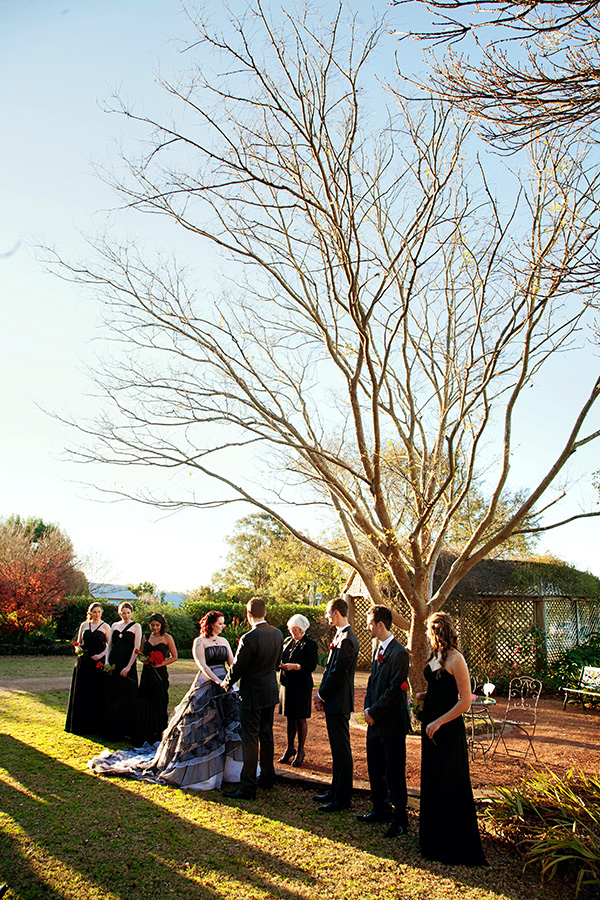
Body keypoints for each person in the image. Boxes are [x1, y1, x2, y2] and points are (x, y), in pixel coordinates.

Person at [89, 610, 243, 790]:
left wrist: (231, 681)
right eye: (220, 623)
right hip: (207, 683)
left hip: (225, 685)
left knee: (227, 724)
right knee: (201, 723)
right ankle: (203, 769)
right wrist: (216, 680)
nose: (222, 626)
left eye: (223, 623)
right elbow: (202, 665)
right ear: (210, 624)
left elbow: (232, 662)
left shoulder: (224, 642)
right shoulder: (199, 642)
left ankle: (227, 769)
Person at [418, 612, 487, 866]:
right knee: (433, 781)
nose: (425, 634)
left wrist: (438, 721)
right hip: (431, 727)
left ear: (436, 632)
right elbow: (439, 688)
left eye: (428, 630)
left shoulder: (457, 659)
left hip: (446, 730)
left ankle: (451, 844)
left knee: (449, 782)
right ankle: (432, 840)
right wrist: (423, 696)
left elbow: (465, 702)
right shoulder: (436, 656)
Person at [221, 596, 284, 800]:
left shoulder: (249, 637)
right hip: (270, 690)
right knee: (266, 735)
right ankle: (267, 777)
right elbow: (277, 663)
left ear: (249, 614)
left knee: (250, 739)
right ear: (265, 612)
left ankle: (248, 786)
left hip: (251, 693)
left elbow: (238, 667)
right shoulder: (277, 634)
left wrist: (227, 682)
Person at [357, 605, 411, 838]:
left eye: (370, 622)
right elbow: (372, 683)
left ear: (381, 624)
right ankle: (380, 809)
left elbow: (394, 689)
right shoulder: (377, 649)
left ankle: (400, 819)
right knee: (375, 768)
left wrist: (375, 712)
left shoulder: (400, 653)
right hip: (375, 722)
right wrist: (367, 708)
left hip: (392, 723)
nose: (367, 626)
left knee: (394, 771)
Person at [312, 596, 359, 812]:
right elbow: (330, 670)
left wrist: (322, 695)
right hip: (334, 701)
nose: (326, 617)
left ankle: (342, 798)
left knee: (342, 751)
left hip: (339, 702)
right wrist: (322, 693)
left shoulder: (348, 638)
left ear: (336, 613)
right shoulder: (340, 635)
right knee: (336, 750)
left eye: (328, 613)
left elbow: (339, 674)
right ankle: (334, 790)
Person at [278, 613, 318, 768]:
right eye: (290, 629)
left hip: (301, 685)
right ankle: (290, 748)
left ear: (302, 629)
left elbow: (311, 666)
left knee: (300, 718)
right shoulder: (288, 641)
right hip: (287, 684)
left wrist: (296, 666)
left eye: (295, 629)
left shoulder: (310, 644)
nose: (292, 632)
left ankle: (301, 750)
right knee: (289, 718)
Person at [132, 613, 178, 746]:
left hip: (160, 673)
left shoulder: (167, 638)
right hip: (147, 672)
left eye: (157, 625)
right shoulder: (146, 636)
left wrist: (161, 663)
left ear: (162, 625)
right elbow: (140, 653)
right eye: (152, 625)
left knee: (159, 699)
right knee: (145, 700)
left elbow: (174, 656)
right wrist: (144, 660)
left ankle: (158, 732)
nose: (155, 628)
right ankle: (143, 732)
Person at [65, 602, 110, 735]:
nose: (96, 614)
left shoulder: (106, 627)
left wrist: (100, 656)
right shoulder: (84, 625)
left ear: (101, 613)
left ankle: (94, 726)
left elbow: (109, 645)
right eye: (94, 612)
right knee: (81, 691)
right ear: (89, 613)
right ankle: (79, 725)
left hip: (97, 663)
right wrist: (77, 649)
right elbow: (78, 642)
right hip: (83, 662)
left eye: (99, 612)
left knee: (95, 692)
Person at [102, 601, 142, 741]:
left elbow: (136, 648)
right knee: (113, 695)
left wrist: (129, 666)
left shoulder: (136, 626)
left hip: (127, 666)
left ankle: (126, 730)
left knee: (127, 696)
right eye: (123, 613)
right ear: (119, 613)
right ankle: (112, 729)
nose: (125, 615)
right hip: (113, 663)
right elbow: (109, 645)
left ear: (131, 613)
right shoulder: (114, 625)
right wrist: (106, 661)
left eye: (128, 613)